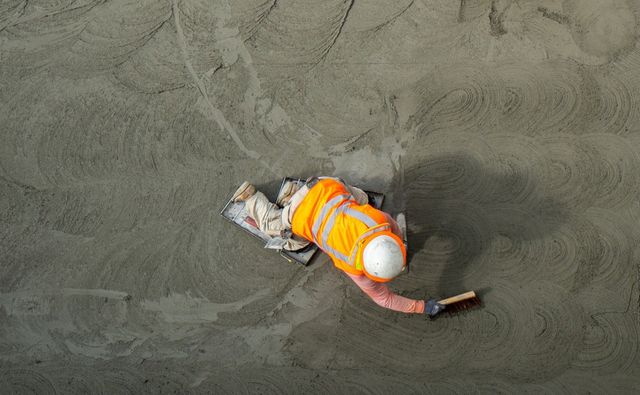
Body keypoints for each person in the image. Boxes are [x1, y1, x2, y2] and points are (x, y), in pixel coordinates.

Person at [232, 177, 444, 316]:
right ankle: (250, 196)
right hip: (301, 212)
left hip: (322, 185)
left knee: (361, 199)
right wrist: (422, 307)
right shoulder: (351, 264)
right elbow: (384, 298)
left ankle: (293, 192)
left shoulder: (379, 222)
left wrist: (422, 305)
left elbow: (395, 230)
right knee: (284, 234)